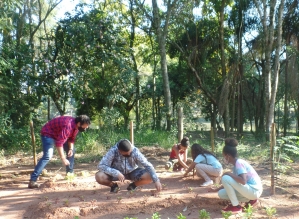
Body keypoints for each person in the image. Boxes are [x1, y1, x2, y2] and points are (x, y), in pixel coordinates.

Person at [28, 115, 91, 188]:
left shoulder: (76, 127)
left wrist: (70, 149)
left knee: (72, 150)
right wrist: (63, 158)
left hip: (59, 134)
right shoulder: (68, 126)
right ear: (79, 123)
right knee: (47, 156)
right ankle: (33, 180)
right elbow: (59, 143)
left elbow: (71, 139)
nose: (86, 128)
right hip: (48, 134)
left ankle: (69, 174)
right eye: (85, 126)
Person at [208, 138, 263, 214]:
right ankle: (251, 200)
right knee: (221, 193)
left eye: (224, 156)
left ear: (228, 155)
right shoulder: (235, 165)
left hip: (254, 191)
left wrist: (228, 173)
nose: (224, 158)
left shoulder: (239, 163)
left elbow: (243, 181)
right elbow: (232, 183)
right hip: (251, 191)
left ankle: (236, 207)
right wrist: (216, 189)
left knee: (225, 177)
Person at [95, 139, 162, 193]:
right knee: (99, 176)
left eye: (130, 152)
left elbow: (148, 165)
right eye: (127, 154)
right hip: (116, 174)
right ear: (119, 151)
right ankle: (114, 186)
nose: (130, 153)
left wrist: (156, 180)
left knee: (150, 176)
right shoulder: (113, 151)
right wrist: (116, 172)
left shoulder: (135, 151)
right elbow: (101, 166)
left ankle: (133, 185)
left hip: (133, 171)